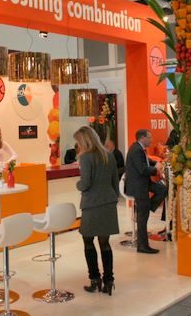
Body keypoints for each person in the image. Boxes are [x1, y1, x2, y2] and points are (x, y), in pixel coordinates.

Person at [74, 126, 119, 296]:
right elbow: (115, 180)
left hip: (92, 205)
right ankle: (109, 280)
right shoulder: (108, 155)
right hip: (108, 202)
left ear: (84, 140)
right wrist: (113, 197)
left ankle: (94, 279)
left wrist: (78, 184)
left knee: (88, 241)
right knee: (105, 243)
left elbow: (85, 183)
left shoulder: (86, 157)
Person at [125, 129, 167, 254]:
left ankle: (147, 206)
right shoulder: (136, 150)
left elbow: (146, 160)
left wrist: (157, 162)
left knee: (163, 189)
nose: (152, 140)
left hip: (143, 183)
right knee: (143, 217)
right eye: (150, 137)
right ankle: (142, 246)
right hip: (137, 186)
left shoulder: (139, 148)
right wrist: (156, 169)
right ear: (142, 138)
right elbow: (142, 169)